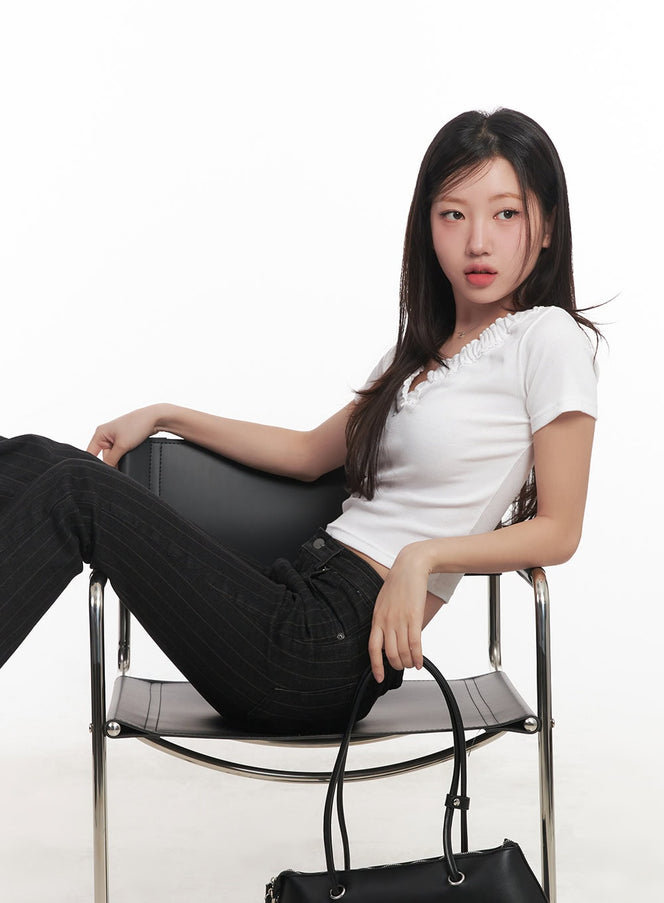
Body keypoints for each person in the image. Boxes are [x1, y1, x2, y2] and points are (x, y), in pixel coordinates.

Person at [0, 108, 599, 733]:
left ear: (547, 226)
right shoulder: (414, 356)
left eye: (507, 214)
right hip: (293, 592)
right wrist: (164, 414)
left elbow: (559, 531)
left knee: (76, 491)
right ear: (427, 227)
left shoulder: (546, 339)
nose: (478, 241)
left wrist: (423, 558)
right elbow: (308, 454)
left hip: (326, 650)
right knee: (41, 459)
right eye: (453, 214)